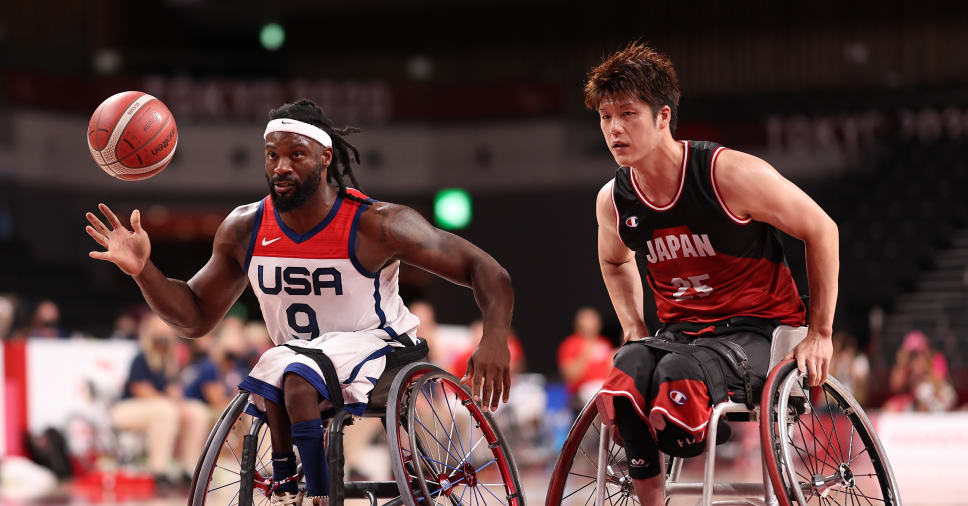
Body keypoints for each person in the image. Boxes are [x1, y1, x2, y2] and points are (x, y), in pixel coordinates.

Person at [84, 99, 514, 506]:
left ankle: (316, 495)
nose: (281, 166)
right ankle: (289, 483)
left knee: (293, 369)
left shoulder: (377, 224)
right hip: (300, 363)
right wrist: (145, 271)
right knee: (287, 365)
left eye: (296, 155)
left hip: (382, 350)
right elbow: (194, 318)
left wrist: (494, 338)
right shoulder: (245, 227)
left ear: (326, 157)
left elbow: (488, 272)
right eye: (272, 155)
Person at [588, 43, 838, 505]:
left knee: (678, 370)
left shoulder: (728, 174)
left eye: (627, 114)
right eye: (605, 117)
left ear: (663, 117)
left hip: (758, 329)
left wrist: (820, 331)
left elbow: (822, 229)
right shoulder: (614, 199)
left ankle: (688, 426)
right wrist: (633, 326)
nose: (614, 129)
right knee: (628, 365)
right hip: (681, 333)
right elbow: (614, 259)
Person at [110, 313, 210, 487]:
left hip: (160, 407)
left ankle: (189, 469)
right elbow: (141, 390)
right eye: (159, 333)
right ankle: (159, 471)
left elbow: (175, 392)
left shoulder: (171, 362)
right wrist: (173, 405)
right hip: (126, 408)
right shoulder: (141, 357)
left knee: (197, 411)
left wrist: (182, 407)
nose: (163, 338)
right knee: (165, 410)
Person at [557, 307, 614, 407]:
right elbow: (569, 376)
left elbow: (609, 373)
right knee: (596, 394)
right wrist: (584, 355)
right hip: (583, 391)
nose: (591, 324)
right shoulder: (571, 344)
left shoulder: (605, 343)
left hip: (605, 387)